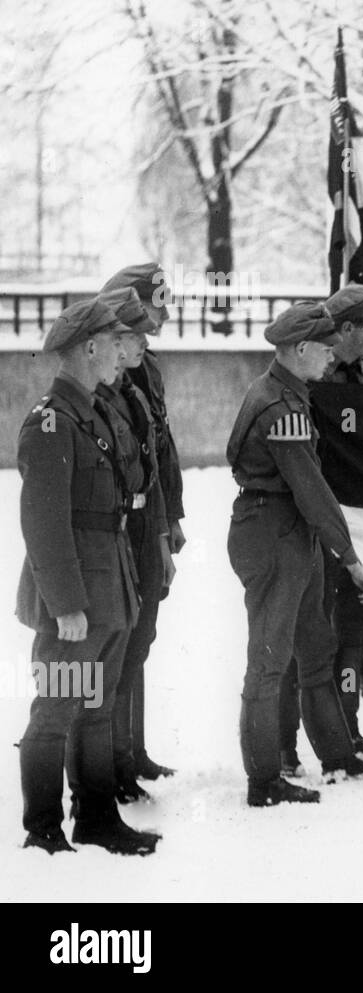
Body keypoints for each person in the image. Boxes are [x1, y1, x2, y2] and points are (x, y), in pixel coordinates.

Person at [226, 301, 363, 807]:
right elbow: (311, 490)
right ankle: (263, 781)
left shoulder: (286, 394)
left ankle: (338, 757)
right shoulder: (281, 408)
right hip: (274, 531)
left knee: (315, 650)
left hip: (288, 532)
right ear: (299, 348)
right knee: (269, 660)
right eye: (323, 348)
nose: (329, 357)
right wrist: (352, 559)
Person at [17, 298, 163, 856]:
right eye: (113, 341)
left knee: (97, 706)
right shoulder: (51, 420)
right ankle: (44, 827)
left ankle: (98, 816)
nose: (123, 356)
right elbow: (44, 523)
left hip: (110, 578)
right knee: (57, 707)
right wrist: (66, 604)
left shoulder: (97, 410)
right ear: (91, 346)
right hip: (78, 591)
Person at [278, 283, 363, 768]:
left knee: (349, 636)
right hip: (313, 525)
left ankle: (347, 730)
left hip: (360, 525)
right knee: (295, 644)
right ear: (346, 329)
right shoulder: (308, 382)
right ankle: (283, 746)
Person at [100, 263, 184, 784]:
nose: (165, 315)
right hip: (121, 524)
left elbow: (162, 451)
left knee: (143, 633)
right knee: (124, 639)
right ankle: (111, 761)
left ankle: (132, 750)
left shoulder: (145, 368)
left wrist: (170, 518)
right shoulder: (109, 373)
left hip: (149, 514)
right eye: (157, 304)